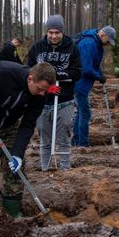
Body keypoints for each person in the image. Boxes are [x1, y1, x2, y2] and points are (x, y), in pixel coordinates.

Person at [0, 61, 56, 217]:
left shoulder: (41, 95)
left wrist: (17, 153)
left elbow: (27, 124)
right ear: (30, 79)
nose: (42, 94)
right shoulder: (2, 72)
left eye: (45, 91)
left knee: (15, 170)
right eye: (40, 89)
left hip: (9, 126)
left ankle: (10, 215)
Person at [27, 14, 82, 171]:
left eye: (57, 32)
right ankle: (45, 167)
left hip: (65, 100)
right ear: (47, 31)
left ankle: (65, 170)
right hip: (42, 101)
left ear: (62, 32)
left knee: (64, 136)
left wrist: (59, 76)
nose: (53, 36)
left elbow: (77, 72)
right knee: (45, 138)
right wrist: (47, 87)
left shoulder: (72, 47)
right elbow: (29, 70)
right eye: (50, 32)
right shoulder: (37, 48)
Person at [72, 26, 116, 147]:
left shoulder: (95, 43)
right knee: (85, 113)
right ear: (103, 35)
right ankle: (83, 144)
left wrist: (99, 72)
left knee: (80, 112)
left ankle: (76, 141)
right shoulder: (88, 43)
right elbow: (86, 68)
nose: (107, 44)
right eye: (108, 41)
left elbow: (93, 62)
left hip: (82, 84)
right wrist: (98, 76)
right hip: (79, 84)